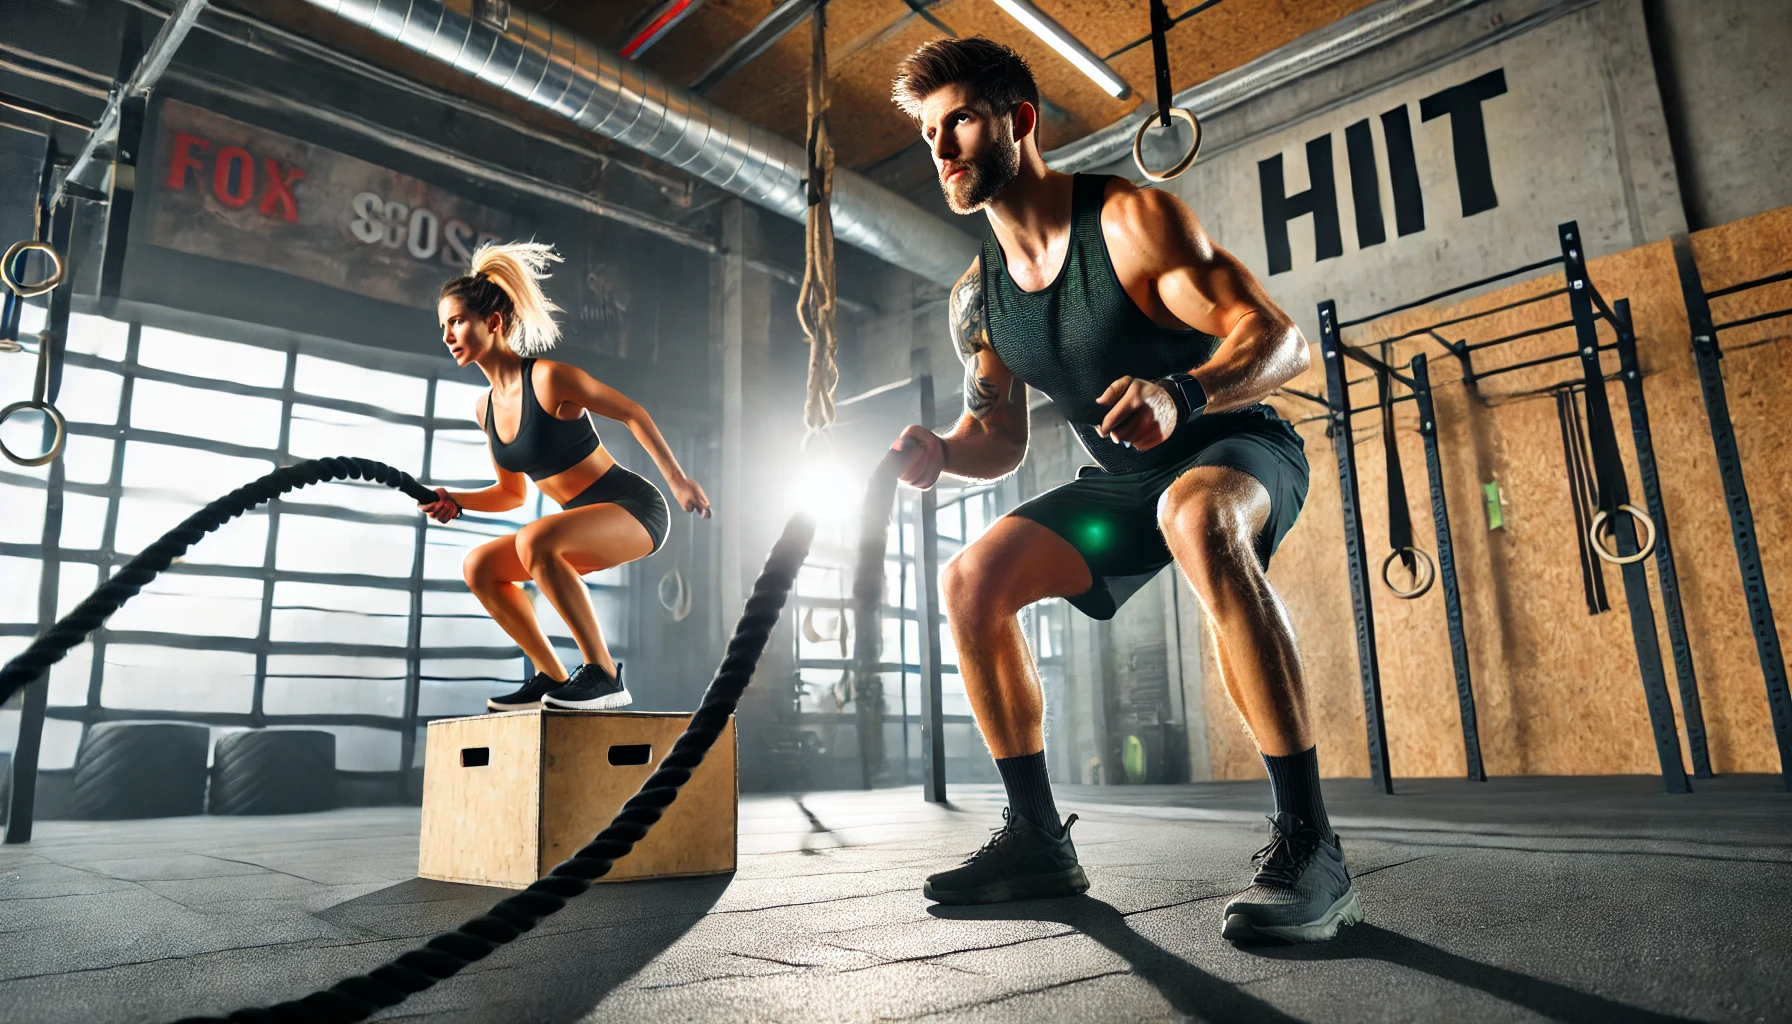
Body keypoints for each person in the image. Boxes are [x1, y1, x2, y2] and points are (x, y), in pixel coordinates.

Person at [888, 38, 1358, 944]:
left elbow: (1280, 341)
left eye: (960, 122)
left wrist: (1182, 394)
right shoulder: (976, 296)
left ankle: (1312, 846)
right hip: (1122, 481)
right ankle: (1036, 840)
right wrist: (938, 453)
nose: (941, 149)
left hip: (1233, 441)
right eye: (928, 132)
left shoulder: (1132, 220)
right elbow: (997, 438)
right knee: (969, 581)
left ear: (1017, 121)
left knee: (1195, 516)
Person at [419, 242, 711, 713]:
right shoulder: (486, 410)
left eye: (456, 321)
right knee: (480, 567)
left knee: (536, 541)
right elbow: (512, 494)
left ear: (492, 322)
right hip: (575, 527)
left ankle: (604, 674)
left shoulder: (549, 379)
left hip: (635, 509)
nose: (448, 335)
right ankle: (551, 676)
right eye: (443, 326)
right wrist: (454, 499)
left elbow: (631, 412)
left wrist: (678, 481)